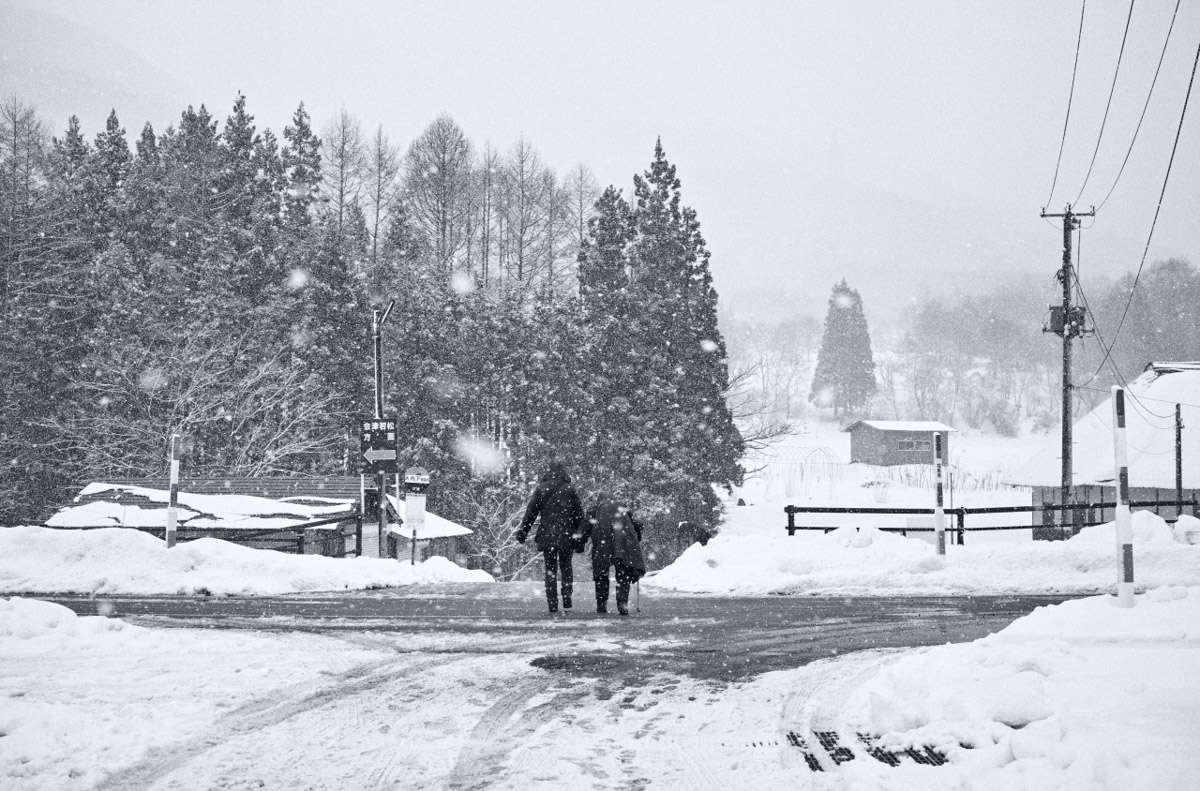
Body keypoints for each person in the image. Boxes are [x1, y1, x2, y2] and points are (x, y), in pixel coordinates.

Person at [515, 460, 585, 614]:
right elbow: (580, 516)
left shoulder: (541, 489)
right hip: (567, 536)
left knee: (550, 569)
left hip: (548, 535)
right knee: (566, 566)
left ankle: (552, 603)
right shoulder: (570, 488)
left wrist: (522, 533)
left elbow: (530, 513)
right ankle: (567, 597)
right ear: (564, 473)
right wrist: (580, 537)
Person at [580, 492, 647, 615]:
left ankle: (601, 604)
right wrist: (637, 536)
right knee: (623, 572)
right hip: (623, 542)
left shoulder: (596, 508)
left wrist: (579, 542)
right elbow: (639, 524)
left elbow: (585, 526)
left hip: (603, 542)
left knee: (601, 572)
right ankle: (622, 604)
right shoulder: (622, 506)